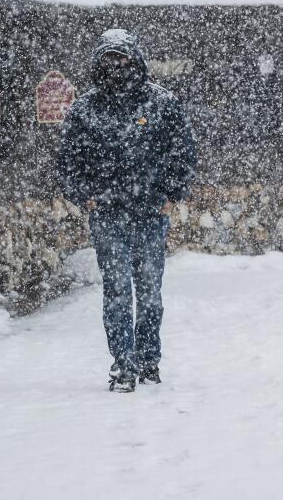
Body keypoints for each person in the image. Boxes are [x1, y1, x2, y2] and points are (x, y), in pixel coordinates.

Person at [59, 29, 197, 393]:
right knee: (118, 290)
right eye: (108, 59)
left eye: (122, 59)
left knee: (150, 292)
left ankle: (149, 357)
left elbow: (183, 152)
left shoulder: (162, 104)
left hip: (151, 214)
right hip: (106, 214)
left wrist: (173, 194)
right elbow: (67, 161)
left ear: (135, 60)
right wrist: (83, 194)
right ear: (98, 63)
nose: (116, 66)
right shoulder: (84, 109)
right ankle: (123, 363)